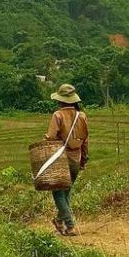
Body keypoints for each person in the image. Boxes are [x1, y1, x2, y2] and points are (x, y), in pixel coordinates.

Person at [45, 83, 89, 237]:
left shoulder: (57, 115)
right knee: (66, 193)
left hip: (60, 160)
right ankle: (59, 220)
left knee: (58, 194)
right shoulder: (82, 116)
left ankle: (70, 227)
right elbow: (85, 140)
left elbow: (50, 138)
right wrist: (84, 159)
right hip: (75, 160)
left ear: (60, 100)